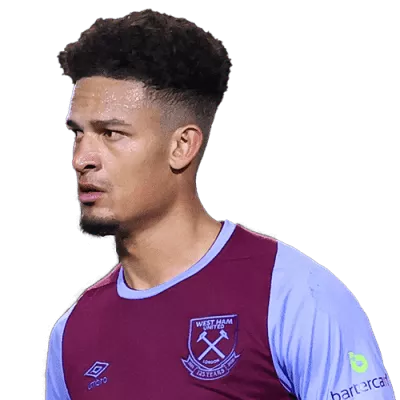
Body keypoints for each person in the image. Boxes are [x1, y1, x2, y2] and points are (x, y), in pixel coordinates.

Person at [45, 8, 395, 399]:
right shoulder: (73, 333)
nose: (81, 159)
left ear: (182, 146)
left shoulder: (293, 295)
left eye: (111, 133)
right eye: (77, 134)